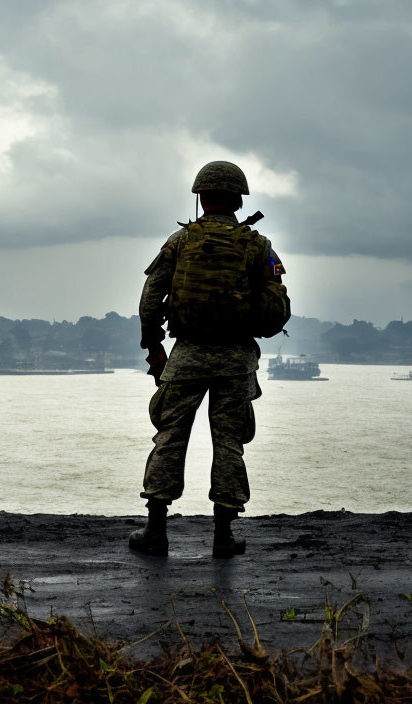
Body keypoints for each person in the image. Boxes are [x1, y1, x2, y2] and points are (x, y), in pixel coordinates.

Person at [129, 160, 290, 559]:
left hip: (187, 356)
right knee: (230, 443)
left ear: (200, 198)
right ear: (238, 199)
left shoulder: (180, 242)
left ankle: (156, 531)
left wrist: (154, 347)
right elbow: (276, 308)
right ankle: (223, 536)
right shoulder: (257, 245)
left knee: (169, 436)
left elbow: (150, 300)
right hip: (237, 360)